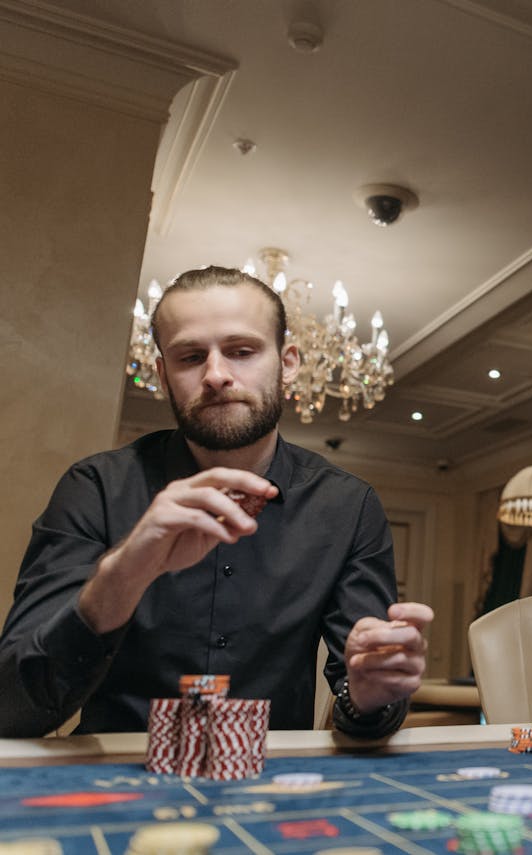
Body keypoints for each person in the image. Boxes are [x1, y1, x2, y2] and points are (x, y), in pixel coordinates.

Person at [0, 266, 432, 739]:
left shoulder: (349, 506)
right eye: (189, 357)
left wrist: (369, 697)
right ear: (164, 374)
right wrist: (124, 571)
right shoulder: (95, 487)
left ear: (287, 362)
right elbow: (14, 712)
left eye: (242, 351)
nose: (216, 375)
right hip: (112, 780)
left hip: (271, 781)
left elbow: (365, 694)